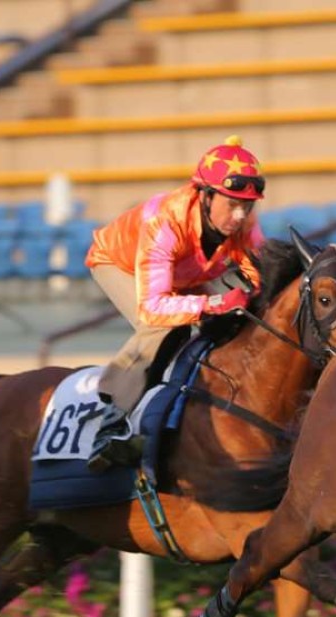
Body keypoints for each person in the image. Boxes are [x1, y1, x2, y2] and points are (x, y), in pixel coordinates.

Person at [85, 135, 266, 471]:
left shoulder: (244, 224)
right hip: (118, 263)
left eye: (248, 205)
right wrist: (214, 302)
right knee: (163, 327)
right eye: (232, 204)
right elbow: (152, 306)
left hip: (186, 272)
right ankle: (109, 424)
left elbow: (262, 279)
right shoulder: (166, 221)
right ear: (206, 195)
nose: (240, 216)